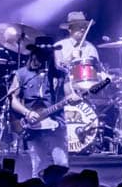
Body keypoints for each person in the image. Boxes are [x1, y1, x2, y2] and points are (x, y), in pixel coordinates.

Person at [9, 36, 82, 176]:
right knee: (38, 167)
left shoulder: (61, 74)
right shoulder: (22, 74)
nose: (46, 57)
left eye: (49, 53)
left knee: (61, 166)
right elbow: (13, 100)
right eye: (43, 54)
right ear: (34, 53)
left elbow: (69, 95)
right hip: (32, 126)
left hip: (56, 125)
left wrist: (75, 99)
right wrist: (27, 113)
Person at [54, 12, 101, 90]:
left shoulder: (91, 47)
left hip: (89, 89)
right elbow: (58, 67)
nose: (83, 29)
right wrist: (71, 57)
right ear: (70, 29)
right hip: (65, 88)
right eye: (79, 26)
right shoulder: (59, 46)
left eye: (84, 26)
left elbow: (98, 70)